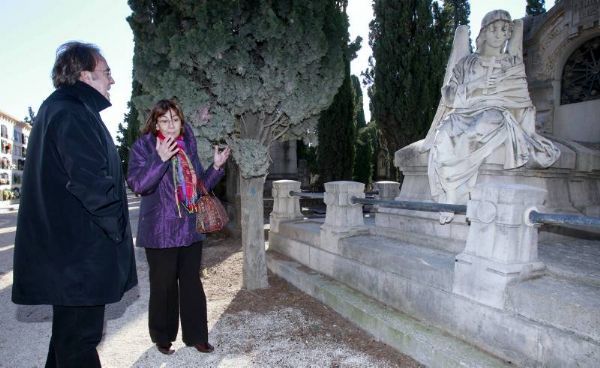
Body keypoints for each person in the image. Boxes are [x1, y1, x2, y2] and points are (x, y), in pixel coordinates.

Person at [12, 42, 138, 367]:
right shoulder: (72, 112)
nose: (112, 80)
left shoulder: (64, 108)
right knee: (80, 342)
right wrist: (117, 230)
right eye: (107, 73)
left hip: (69, 257)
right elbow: (89, 181)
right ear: (85, 74)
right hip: (80, 257)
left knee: (68, 339)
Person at [423, 10, 560, 223]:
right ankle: (451, 190)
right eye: (494, 29)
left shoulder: (511, 64)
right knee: (442, 137)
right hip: (461, 113)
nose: (499, 34)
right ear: (484, 33)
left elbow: (520, 99)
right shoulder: (466, 63)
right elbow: (449, 96)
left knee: (482, 126)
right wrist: (475, 87)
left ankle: (461, 189)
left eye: (505, 30)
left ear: (508, 35)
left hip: (495, 113)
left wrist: (528, 130)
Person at [127, 99, 230, 355]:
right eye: (164, 120)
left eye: (175, 119)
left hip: (190, 229)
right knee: (163, 286)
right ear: (155, 123)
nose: (171, 125)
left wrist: (216, 167)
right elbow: (139, 185)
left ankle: (197, 336)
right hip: (160, 231)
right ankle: (163, 336)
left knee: (192, 284)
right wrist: (159, 160)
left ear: (181, 121)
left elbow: (198, 188)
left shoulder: (188, 145)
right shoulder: (144, 146)